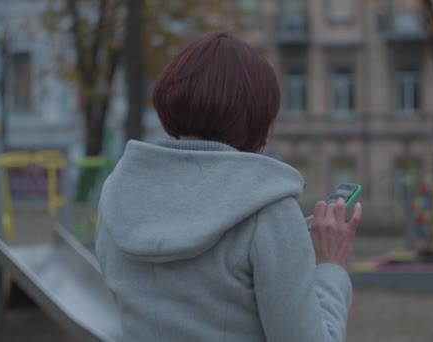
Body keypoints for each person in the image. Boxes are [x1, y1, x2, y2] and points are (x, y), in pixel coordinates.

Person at [95, 32, 362, 341]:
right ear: (258, 118)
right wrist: (329, 267)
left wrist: (288, 242)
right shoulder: (267, 210)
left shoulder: (117, 192)